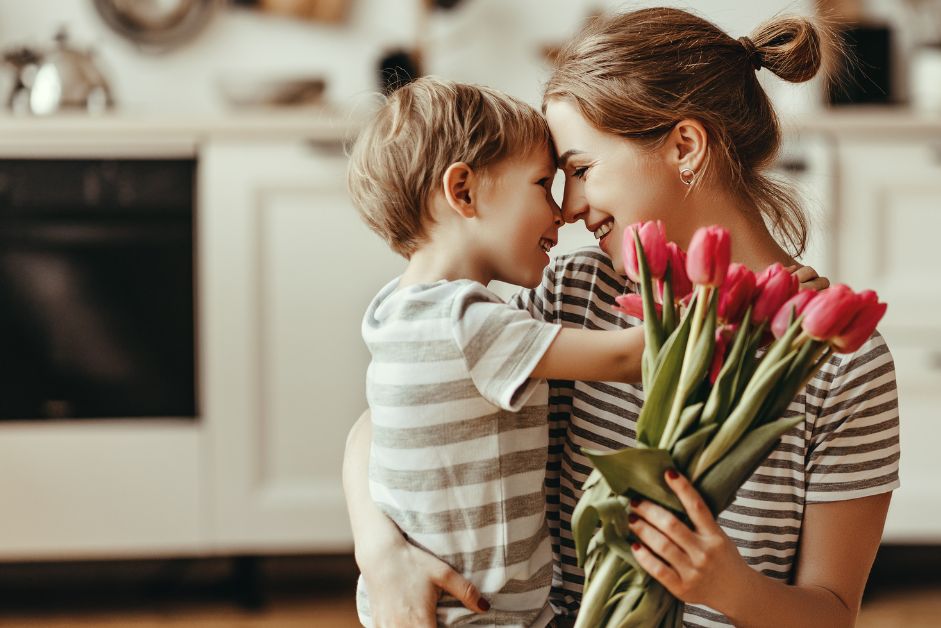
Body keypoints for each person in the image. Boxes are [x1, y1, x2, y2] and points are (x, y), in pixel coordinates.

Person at [344, 8, 900, 627]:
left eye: (580, 171)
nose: (570, 209)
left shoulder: (839, 363)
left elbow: (831, 615)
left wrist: (725, 585)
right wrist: (380, 551)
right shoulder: (576, 294)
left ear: (684, 147)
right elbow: (394, 411)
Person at [346, 77, 645, 627]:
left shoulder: (394, 310)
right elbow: (627, 359)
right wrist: (741, 299)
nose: (561, 213)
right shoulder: (469, 324)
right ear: (463, 192)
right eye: (542, 184)